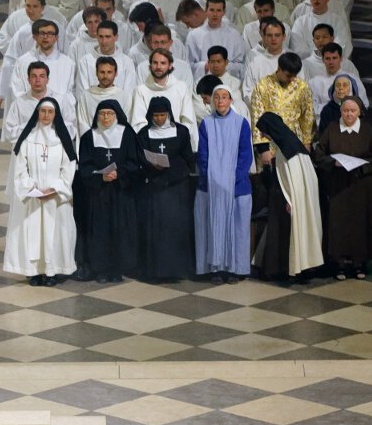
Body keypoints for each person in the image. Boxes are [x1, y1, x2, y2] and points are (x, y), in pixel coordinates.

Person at [2, 96, 78, 286]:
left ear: (55, 114)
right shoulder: (27, 139)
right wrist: (31, 188)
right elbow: (20, 168)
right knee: (32, 234)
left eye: (50, 112)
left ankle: (52, 272)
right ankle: (33, 272)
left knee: (55, 234)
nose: (46, 115)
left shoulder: (62, 140)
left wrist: (56, 188)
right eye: (43, 111)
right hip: (33, 197)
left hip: (55, 198)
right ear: (37, 113)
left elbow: (68, 167)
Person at [313, 95, 372, 281]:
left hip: (360, 186)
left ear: (359, 112)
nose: (349, 114)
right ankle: (339, 264)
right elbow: (319, 153)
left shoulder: (367, 131)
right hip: (338, 186)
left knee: (359, 224)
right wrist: (332, 162)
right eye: (345, 111)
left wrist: (362, 167)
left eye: (352, 111)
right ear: (340, 112)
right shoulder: (332, 129)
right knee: (339, 224)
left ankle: (359, 263)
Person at [253, 112, 325, 281]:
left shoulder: (285, 150)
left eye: (264, 131)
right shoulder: (293, 145)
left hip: (290, 201)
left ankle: (292, 269)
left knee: (291, 233)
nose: (263, 135)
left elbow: (291, 179)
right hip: (297, 199)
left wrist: (291, 200)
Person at [196, 85, 253, 284]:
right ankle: (215, 268)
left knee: (237, 229)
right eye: (217, 97)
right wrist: (213, 177)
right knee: (211, 228)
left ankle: (235, 269)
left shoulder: (241, 123)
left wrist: (233, 178)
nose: (220, 101)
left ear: (231, 100)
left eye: (224, 97)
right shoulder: (206, 124)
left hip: (236, 186)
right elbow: (203, 155)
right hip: (210, 186)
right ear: (212, 100)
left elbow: (246, 154)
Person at [77, 99, 139, 283]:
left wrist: (119, 174)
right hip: (99, 195)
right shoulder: (89, 136)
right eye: (102, 114)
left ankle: (118, 268)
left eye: (110, 114)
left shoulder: (127, 134)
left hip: (121, 192)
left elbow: (134, 161)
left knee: (121, 230)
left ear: (116, 115)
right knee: (100, 231)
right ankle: (101, 269)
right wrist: (100, 177)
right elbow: (85, 166)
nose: (105, 117)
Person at [135, 97, 195, 282]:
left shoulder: (181, 131)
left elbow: (187, 159)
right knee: (155, 229)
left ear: (169, 114)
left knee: (176, 227)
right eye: (156, 115)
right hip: (154, 188)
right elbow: (140, 157)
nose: (159, 119)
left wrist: (172, 169)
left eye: (162, 115)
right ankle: (154, 271)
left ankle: (177, 270)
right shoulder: (144, 134)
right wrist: (152, 165)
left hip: (176, 188)